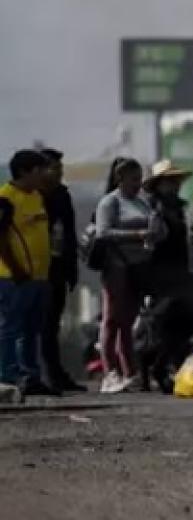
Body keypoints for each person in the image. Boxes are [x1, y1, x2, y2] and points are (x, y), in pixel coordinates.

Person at [95, 157, 164, 394]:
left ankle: (130, 372)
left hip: (139, 267)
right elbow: (103, 233)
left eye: (140, 179)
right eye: (134, 179)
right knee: (112, 319)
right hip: (116, 266)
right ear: (120, 178)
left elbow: (157, 231)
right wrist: (137, 234)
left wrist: (156, 231)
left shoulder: (142, 202)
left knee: (128, 322)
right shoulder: (110, 202)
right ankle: (110, 372)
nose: (138, 184)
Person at [0, 150, 56, 396]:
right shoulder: (5, 198)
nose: (44, 174)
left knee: (32, 331)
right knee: (10, 328)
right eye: (39, 170)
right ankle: (8, 376)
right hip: (13, 278)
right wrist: (16, 269)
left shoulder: (37, 197)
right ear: (24, 172)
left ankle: (31, 377)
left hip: (40, 278)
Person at [37, 148, 85, 392]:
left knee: (53, 323)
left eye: (60, 169)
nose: (58, 173)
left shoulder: (62, 196)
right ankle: (44, 375)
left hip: (57, 266)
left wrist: (72, 268)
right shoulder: (32, 195)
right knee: (40, 325)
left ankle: (56, 373)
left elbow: (69, 233)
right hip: (36, 267)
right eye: (54, 168)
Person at [143, 160, 193, 297]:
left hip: (179, 267)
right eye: (170, 180)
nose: (176, 185)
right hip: (159, 268)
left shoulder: (178, 207)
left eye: (176, 180)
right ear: (159, 184)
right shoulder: (151, 207)